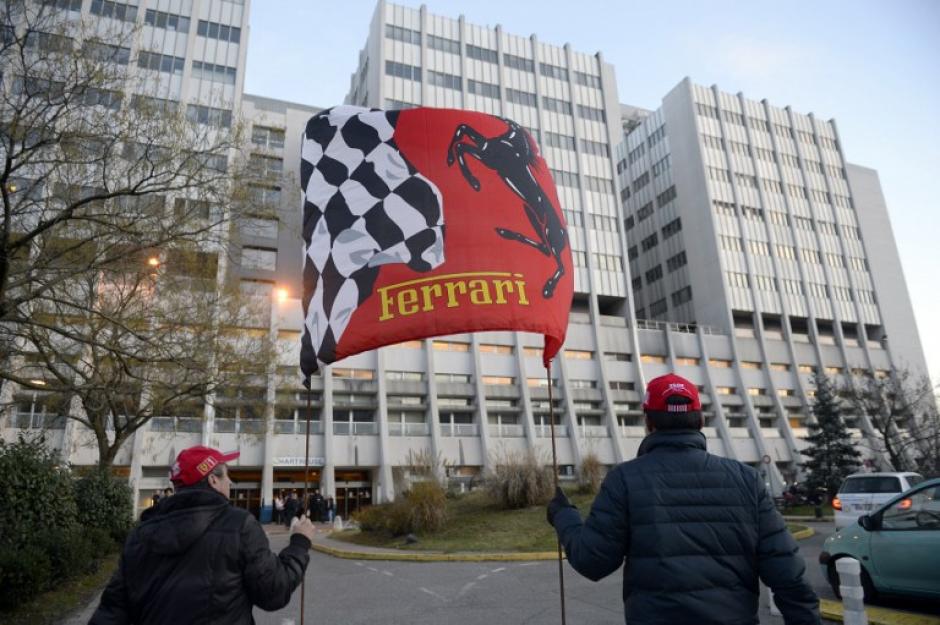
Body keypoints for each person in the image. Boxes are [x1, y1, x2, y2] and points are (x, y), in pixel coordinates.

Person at [546, 374, 820, 625]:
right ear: (700, 420)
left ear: (648, 422)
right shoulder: (746, 479)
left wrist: (563, 515)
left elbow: (592, 561)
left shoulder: (624, 479)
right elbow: (788, 576)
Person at [90, 445, 317, 624]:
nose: (231, 482)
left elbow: (111, 610)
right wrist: (299, 543)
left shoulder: (139, 534)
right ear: (213, 480)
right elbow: (273, 592)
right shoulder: (240, 524)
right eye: (227, 475)